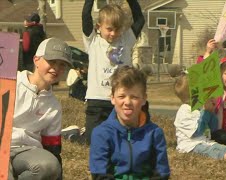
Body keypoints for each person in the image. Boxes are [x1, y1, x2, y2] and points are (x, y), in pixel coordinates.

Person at [62, 0, 145, 144]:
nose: (113, 34)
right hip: (96, 100)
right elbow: (85, 15)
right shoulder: (92, 40)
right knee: (92, 141)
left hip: (120, 101)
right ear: (99, 27)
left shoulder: (126, 40)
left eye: (118, 29)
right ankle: (72, 134)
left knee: (121, 141)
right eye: (109, 29)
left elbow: (140, 19)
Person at [89, 66, 170, 179]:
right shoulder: (101, 133)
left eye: (134, 97)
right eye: (121, 96)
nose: (127, 102)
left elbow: (162, 174)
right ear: (112, 98)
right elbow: (100, 175)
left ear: (144, 99)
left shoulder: (155, 133)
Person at [8, 38, 72, 180]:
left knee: (49, 166)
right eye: (52, 61)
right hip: (3, 145)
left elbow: (52, 149)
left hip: (28, 151)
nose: (56, 68)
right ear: (36, 60)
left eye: (62, 65)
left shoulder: (54, 106)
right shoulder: (11, 82)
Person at [173, 73, 226, 160]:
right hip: (191, 145)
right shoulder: (185, 111)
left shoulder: (200, 108)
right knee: (212, 151)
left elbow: (212, 128)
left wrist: (211, 112)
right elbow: (198, 132)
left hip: (205, 141)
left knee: (221, 147)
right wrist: (206, 112)